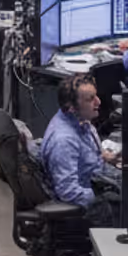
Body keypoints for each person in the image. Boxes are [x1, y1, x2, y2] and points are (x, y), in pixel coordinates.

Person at [38, 73, 121, 225]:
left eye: (96, 96)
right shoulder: (63, 141)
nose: (98, 102)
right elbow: (67, 191)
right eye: (90, 99)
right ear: (72, 107)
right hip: (87, 205)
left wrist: (104, 156)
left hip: (98, 180)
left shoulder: (81, 121)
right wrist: (103, 197)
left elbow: (84, 156)